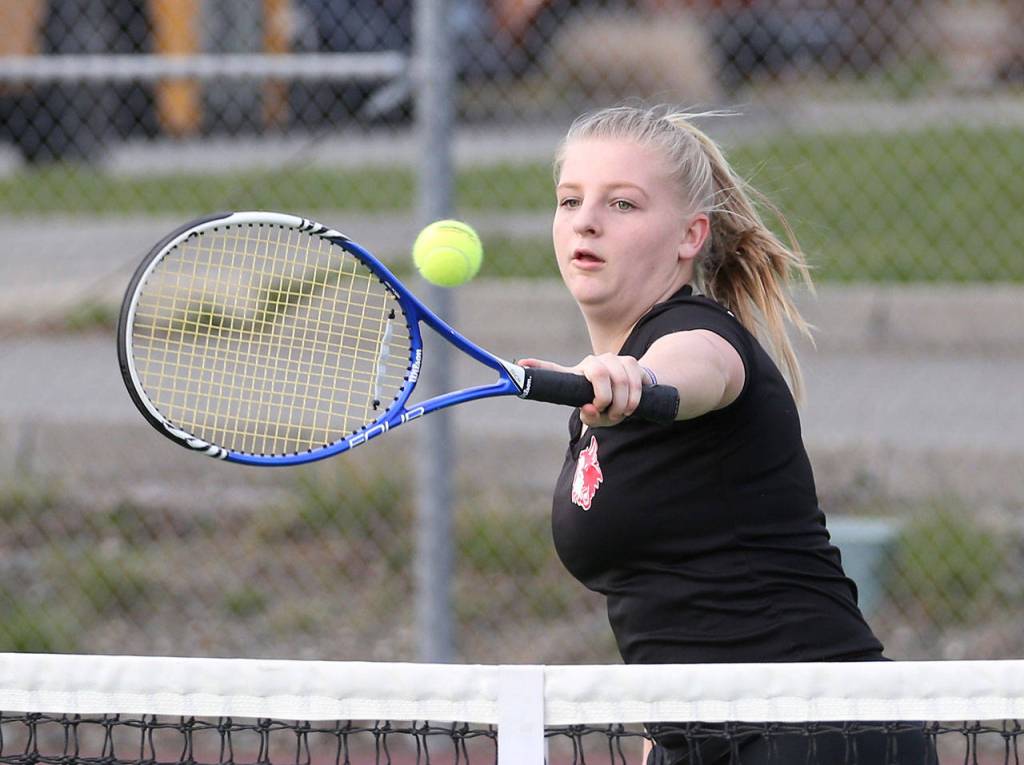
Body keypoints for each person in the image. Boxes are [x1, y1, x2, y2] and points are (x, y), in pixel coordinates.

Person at [519, 106, 929, 764]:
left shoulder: (701, 340)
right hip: (710, 738)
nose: (586, 220)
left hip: (818, 731)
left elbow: (696, 372)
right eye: (571, 200)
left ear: (690, 236)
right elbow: (664, 602)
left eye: (622, 203)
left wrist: (634, 376)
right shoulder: (593, 408)